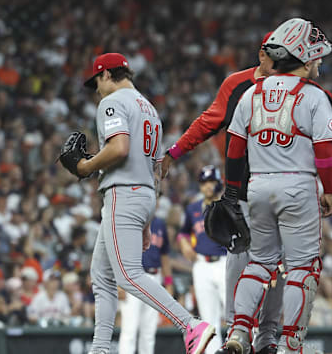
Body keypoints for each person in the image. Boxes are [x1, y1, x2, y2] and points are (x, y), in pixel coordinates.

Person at [69, 53, 215, 354]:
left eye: (96, 81)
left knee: (127, 275)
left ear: (108, 74)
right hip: (144, 193)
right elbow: (157, 167)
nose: (96, 89)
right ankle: (100, 350)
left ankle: (190, 324)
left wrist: (86, 167)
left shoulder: (112, 102)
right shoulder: (149, 108)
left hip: (123, 193)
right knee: (102, 275)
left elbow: (119, 148)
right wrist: (147, 219)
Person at [160, 32, 282, 354]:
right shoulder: (236, 85)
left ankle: (268, 336)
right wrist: (174, 151)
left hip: (282, 187)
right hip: (242, 188)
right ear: (262, 54)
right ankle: (236, 334)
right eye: (278, 55)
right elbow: (208, 122)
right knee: (238, 259)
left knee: (277, 263)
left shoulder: (296, 89)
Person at [223, 18, 332, 354]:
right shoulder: (314, 96)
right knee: (302, 268)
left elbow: (234, 149)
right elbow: (325, 152)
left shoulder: (251, 93)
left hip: (257, 186)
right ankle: (290, 343)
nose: (318, 63)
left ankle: (239, 332)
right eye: (315, 58)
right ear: (302, 57)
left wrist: (232, 191)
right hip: (297, 186)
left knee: (259, 263)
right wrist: (328, 189)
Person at [178, 166, 228, 353]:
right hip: (201, 264)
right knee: (208, 317)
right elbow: (183, 233)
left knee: (233, 314)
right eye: (204, 182)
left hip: (224, 262)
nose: (208, 186)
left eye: (212, 182)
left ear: (219, 183)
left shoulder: (227, 206)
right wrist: (183, 244)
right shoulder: (193, 208)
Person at [118, 215, 172, 354]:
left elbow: (164, 255)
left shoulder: (160, 223)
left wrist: (168, 283)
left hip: (155, 277)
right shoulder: (130, 219)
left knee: (149, 330)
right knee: (129, 329)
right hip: (133, 276)